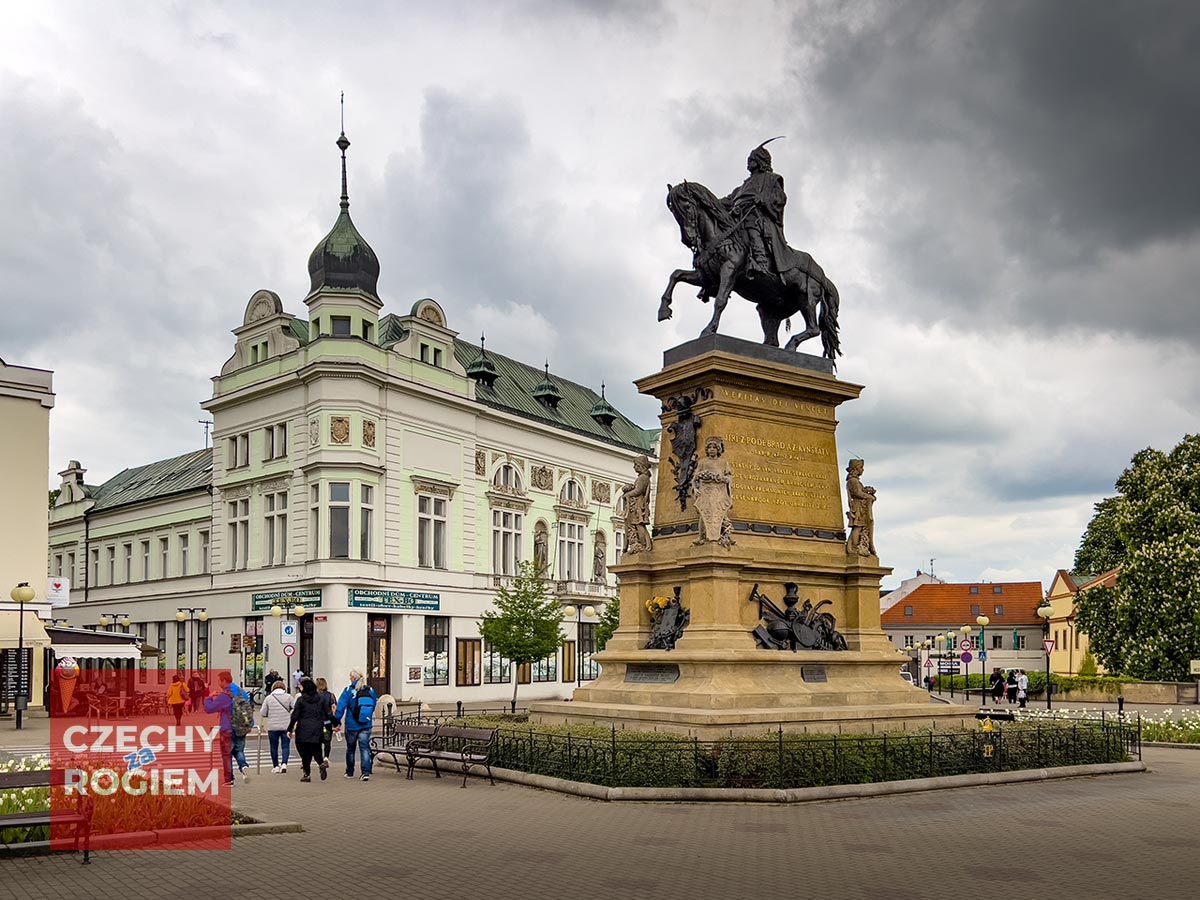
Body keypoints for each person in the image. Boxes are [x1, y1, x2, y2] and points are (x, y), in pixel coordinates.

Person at [721, 140, 789, 280]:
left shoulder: (771, 179)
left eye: (751, 159)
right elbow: (728, 200)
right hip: (738, 216)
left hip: (757, 216)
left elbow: (780, 198)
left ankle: (761, 262)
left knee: (751, 226)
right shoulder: (743, 186)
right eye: (748, 159)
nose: (748, 162)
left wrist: (763, 200)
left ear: (760, 161)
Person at [288, 677, 333, 783]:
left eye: (301, 686)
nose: (299, 687)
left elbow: (295, 716)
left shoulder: (301, 700)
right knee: (316, 749)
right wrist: (335, 723)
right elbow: (328, 712)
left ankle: (307, 774)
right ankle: (321, 763)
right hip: (317, 728)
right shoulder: (320, 698)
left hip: (303, 729)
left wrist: (290, 729)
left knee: (304, 753)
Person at [691, 436, 734, 546]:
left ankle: (726, 536)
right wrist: (695, 489)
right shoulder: (702, 462)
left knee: (722, 514)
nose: (711, 449)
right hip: (705, 493)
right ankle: (701, 536)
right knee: (704, 514)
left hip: (719, 493)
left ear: (718, 449)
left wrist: (723, 479)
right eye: (709, 447)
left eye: (714, 447)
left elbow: (729, 477)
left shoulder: (723, 462)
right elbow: (695, 478)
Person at [336, 668, 377, 781]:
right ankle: (365, 773)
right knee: (364, 749)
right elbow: (373, 704)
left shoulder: (349, 690)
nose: (349, 678)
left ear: (354, 678)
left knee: (350, 749)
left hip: (352, 725)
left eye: (350, 677)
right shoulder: (370, 690)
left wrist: (336, 721)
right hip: (366, 724)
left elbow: (340, 707)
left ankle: (350, 772)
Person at [202, 672, 236, 786]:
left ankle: (229, 779)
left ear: (224, 681)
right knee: (234, 752)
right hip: (238, 726)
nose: (218, 683)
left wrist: (209, 698)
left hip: (227, 727)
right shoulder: (237, 691)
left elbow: (209, 709)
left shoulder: (224, 695)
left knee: (226, 754)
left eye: (219, 680)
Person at [620, 455, 654, 554]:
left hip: (638, 505)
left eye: (635, 465)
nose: (634, 467)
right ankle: (645, 545)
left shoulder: (643, 478)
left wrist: (627, 494)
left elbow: (638, 490)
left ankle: (643, 545)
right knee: (639, 524)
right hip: (637, 505)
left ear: (641, 466)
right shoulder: (643, 477)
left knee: (639, 524)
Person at [260, 679, 295, 773]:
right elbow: (296, 708)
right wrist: (289, 713)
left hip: (272, 726)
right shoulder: (289, 697)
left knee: (273, 747)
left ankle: (275, 766)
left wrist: (270, 714)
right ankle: (284, 764)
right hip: (286, 725)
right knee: (285, 746)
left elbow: (263, 713)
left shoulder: (269, 698)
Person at [845, 458, 877, 557]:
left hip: (861, 507)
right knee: (857, 527)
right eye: (861, 468)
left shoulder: (855, 481)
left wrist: (867, 491)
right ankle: (854, 547)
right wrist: (869, 496)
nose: (862, 470)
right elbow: (857, 493)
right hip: (858, 508)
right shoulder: (853, 481)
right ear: (855, 468)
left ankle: (858, 545)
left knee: (860, 526)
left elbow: (860, 491)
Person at [315, 677, 338, 764]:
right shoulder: (330, 695)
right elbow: (334, 708)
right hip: (327, 721)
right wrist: (335, 722)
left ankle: (320, 759)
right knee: (327, 740)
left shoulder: (314, 696)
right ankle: (326, 757)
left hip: (317, 722)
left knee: (318, 742)